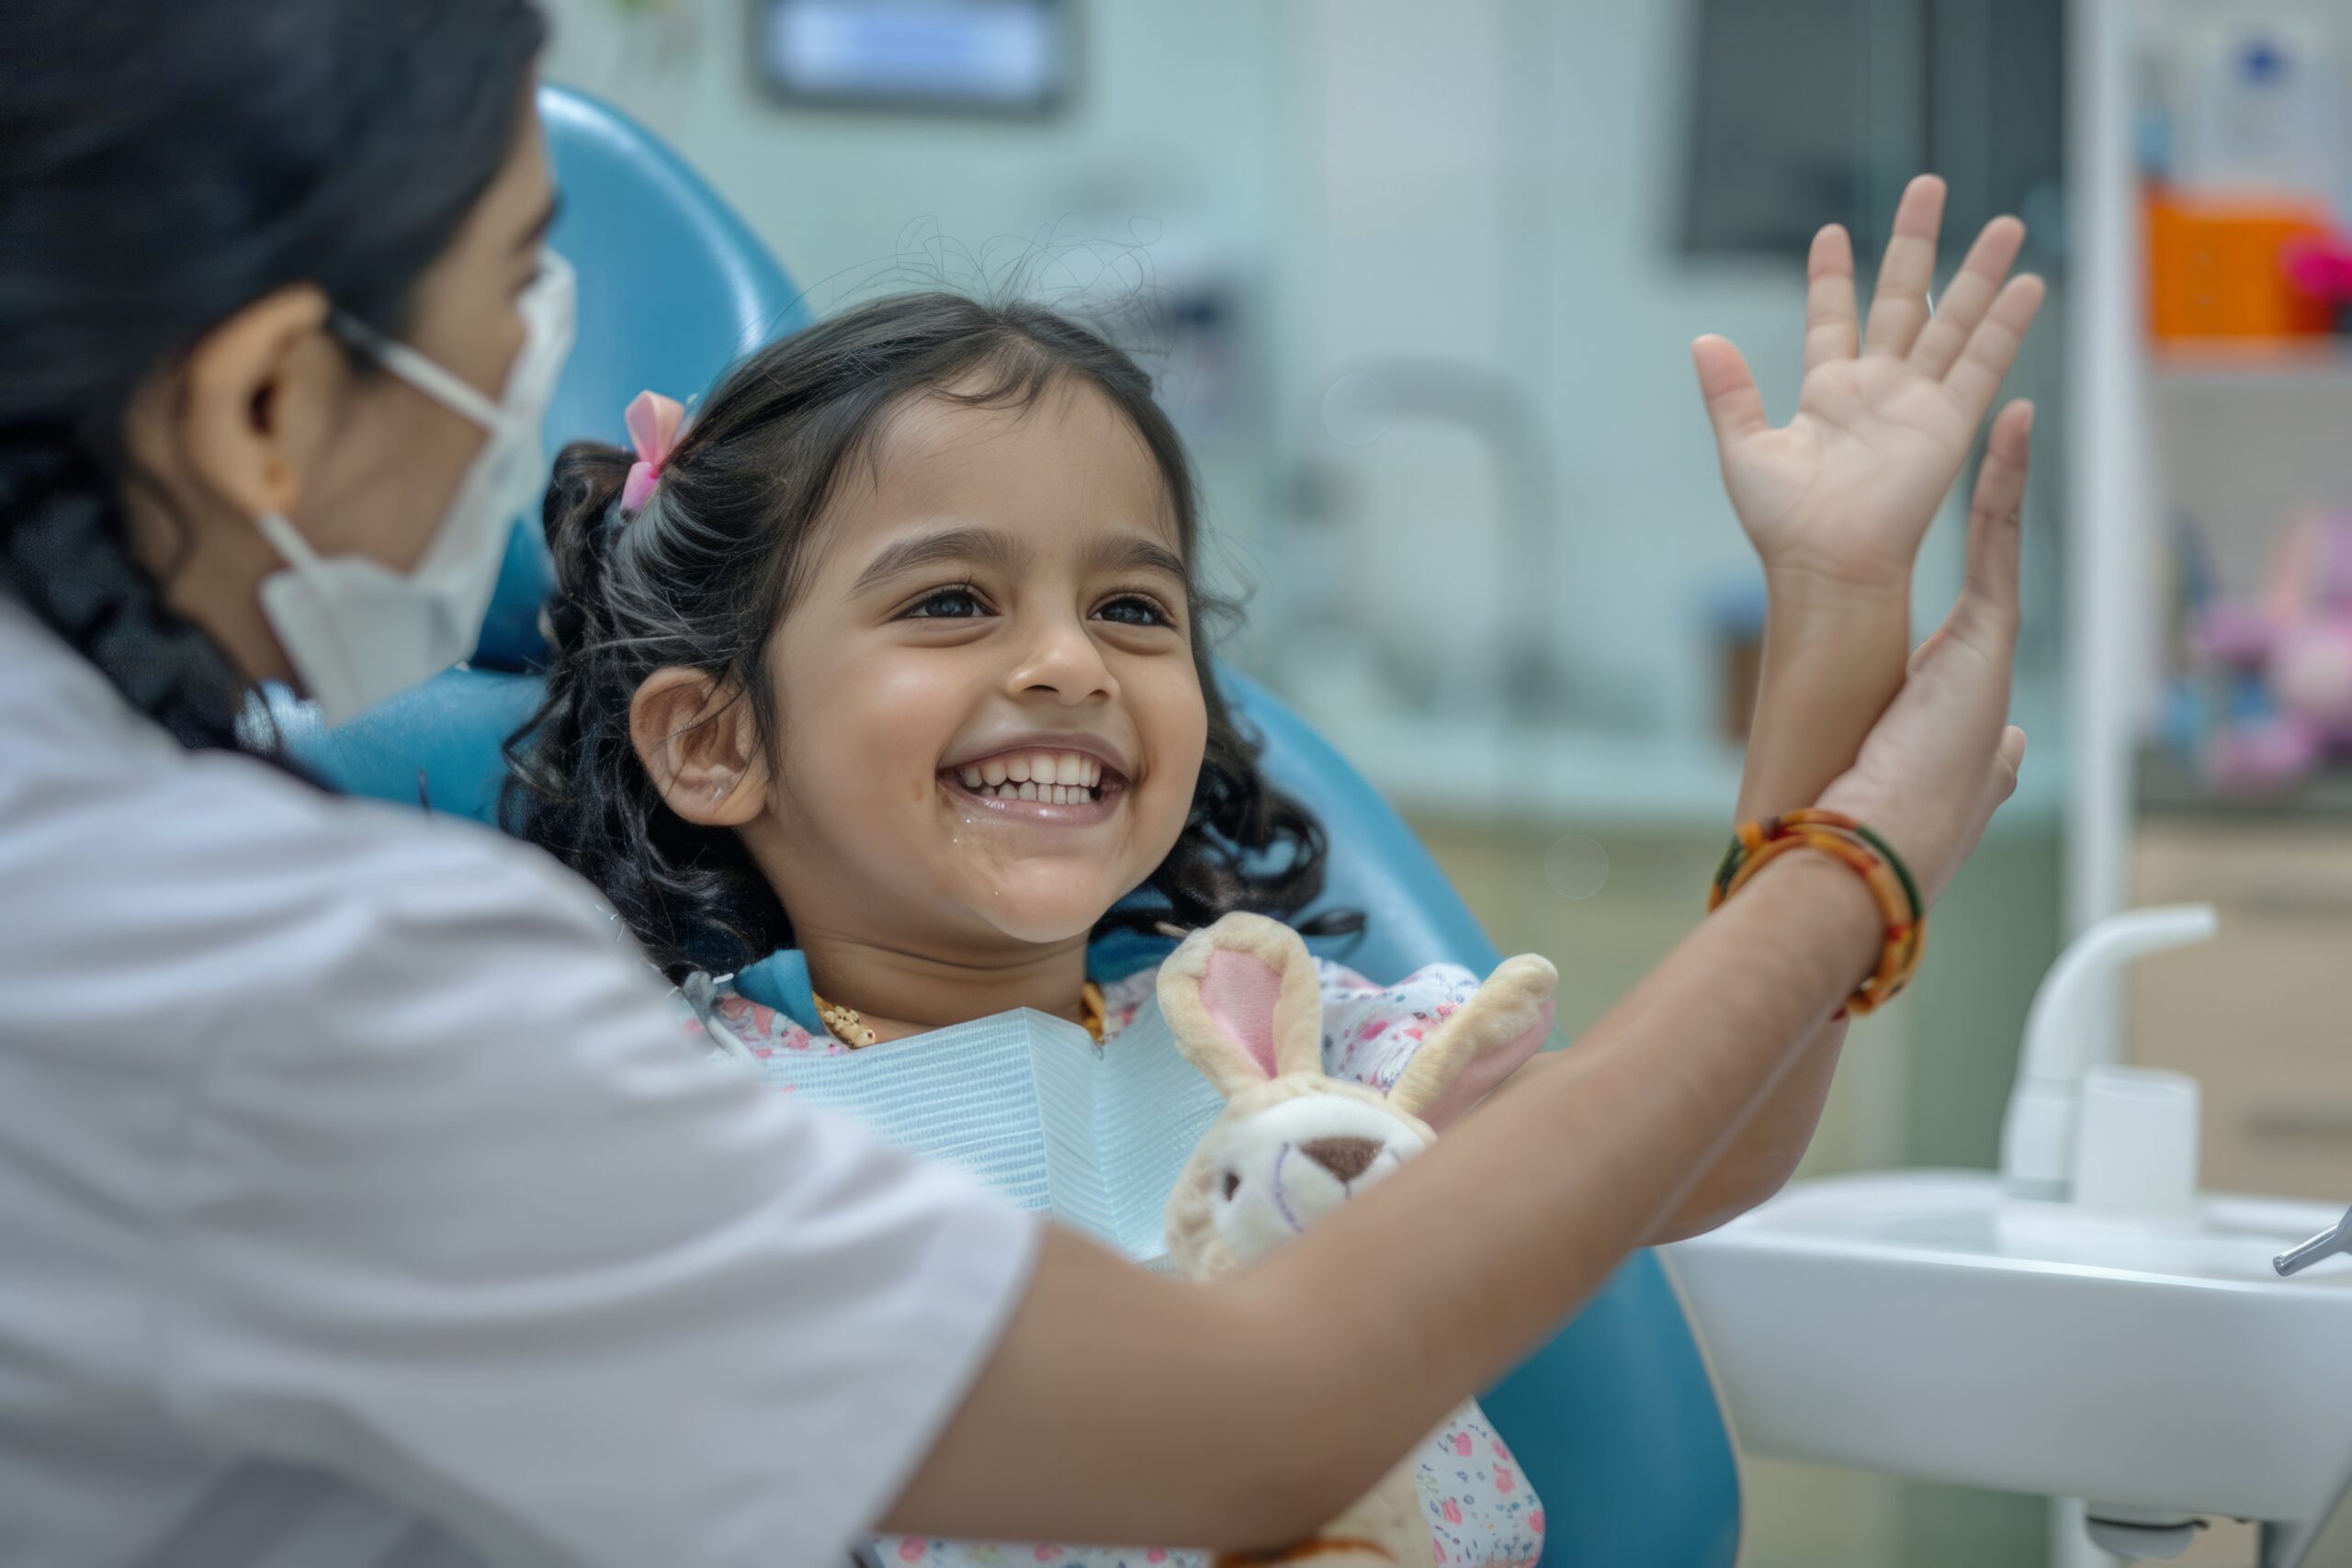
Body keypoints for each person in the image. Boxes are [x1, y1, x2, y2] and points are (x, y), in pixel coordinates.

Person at [0, 2, 2034, 1563]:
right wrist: (1851, 870)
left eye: (1135, 612)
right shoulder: (675, 1088)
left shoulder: (1286, 1050)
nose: (1063, 660)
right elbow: (1259, 1407)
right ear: (712, 737)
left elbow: (1686, 1141)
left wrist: (1835, 607)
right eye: (952, 600)